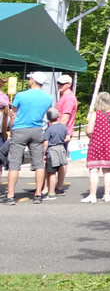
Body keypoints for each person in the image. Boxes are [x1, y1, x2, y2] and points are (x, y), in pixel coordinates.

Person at [4, 72, 55, 205]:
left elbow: (13, 115)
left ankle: (10, 195)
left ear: (33, 80)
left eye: (30, 79)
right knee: (38, 163)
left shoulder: (21, 95)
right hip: (37, 129)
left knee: (14, 163)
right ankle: (38, 194)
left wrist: (10, 129)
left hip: (20, 129)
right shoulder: (48, 98)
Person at [82, 92, 110, 203]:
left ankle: (92, 195)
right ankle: (107, 194)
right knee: (108, 170)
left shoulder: (95, 114)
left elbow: (89, 130)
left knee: (94, 170)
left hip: (96, 144)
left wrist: (93, 136)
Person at [54, 74, 77, 194]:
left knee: (60, 160)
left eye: (62, 84)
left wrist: (56, 132)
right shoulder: (64, 96)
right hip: (61, 132)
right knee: (56, 160)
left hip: (62, 133)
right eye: (58, 83)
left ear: (69, 84)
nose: (59, 85)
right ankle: (52, 185)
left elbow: (65, 118)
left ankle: (59, 187)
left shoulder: (68, 98)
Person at [42, 107, 68, 200]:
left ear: (48, 118)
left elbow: (46, 143)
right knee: (61, 167)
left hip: (52, 150)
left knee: (51, 172)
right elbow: (68, 138)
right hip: (61, 149)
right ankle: (60, 188)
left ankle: (51, 192)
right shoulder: (63, 127)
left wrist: (44, 154)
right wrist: (61, 140)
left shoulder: (49, 129)